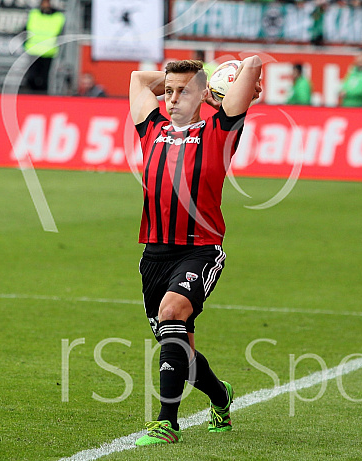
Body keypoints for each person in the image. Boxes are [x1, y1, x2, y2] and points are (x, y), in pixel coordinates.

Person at [129, 56, 262, 445]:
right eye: (168, 93)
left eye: (182, 92)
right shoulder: (150, 129)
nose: (172, 99)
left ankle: (166, 422)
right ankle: (220, 395)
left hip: (200, 249)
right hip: (154, 254)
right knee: (176, 345)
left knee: (172, 313)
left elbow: (252, 64)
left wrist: (227, 78)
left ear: (203, 95)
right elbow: (138, 80)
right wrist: (178, 81)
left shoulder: (219, 131)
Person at [24, 0, 65, 93]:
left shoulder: (58, 17)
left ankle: (42, 97)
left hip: (48, 52)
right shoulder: (34, 14)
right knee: (31, 77)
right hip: (33, 50)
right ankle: (33, 96)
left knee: (44, 78)